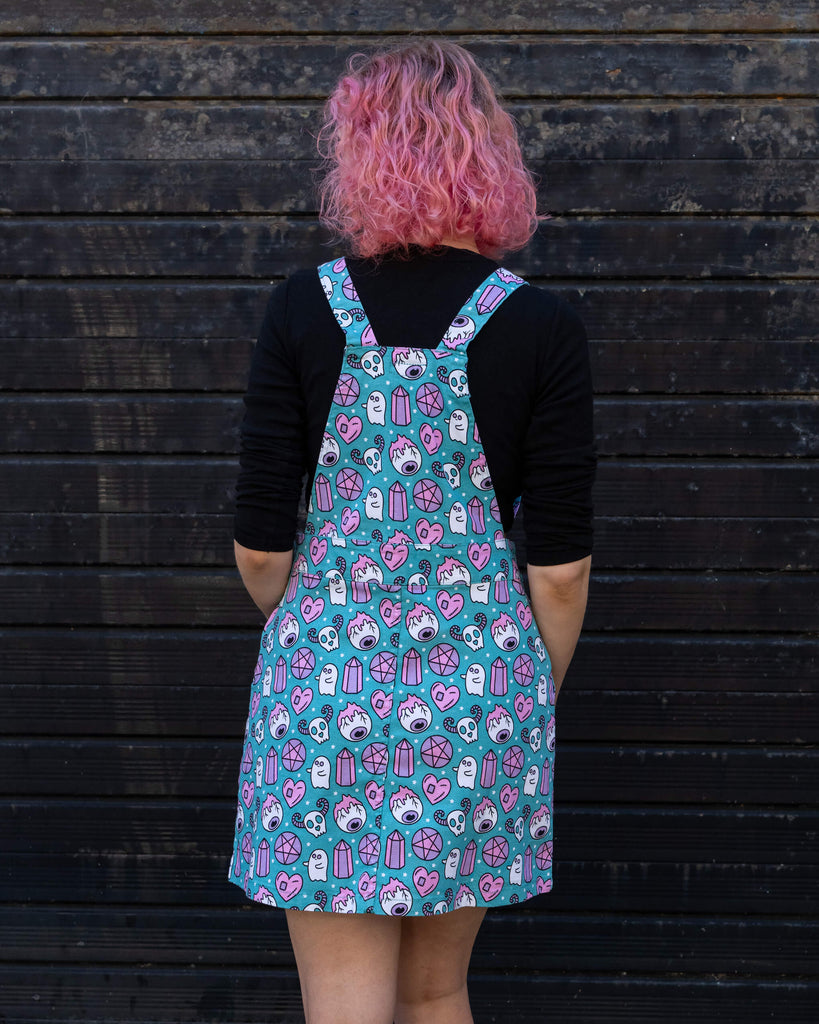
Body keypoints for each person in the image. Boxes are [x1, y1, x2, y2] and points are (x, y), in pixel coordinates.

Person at [227, 39, 595, 1024]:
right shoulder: (541, 325)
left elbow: (261, 547)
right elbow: (558, 570)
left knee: (346, 1007)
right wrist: (518, 690)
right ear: (492, 154)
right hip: (477, 703)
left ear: (356, 154)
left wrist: (328, 630)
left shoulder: (303, 309)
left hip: (325, 700)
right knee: (437, 991)